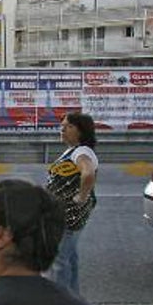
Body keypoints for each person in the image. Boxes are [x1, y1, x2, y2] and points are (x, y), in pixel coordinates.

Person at [46, 112, 99, 294]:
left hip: (69, 215)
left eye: (68, 126)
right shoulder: (73, 150)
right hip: (67, 214)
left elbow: (88, 173)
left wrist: (81, 196)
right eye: (62, 125)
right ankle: (75, 299)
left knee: (59, 261)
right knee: (70, 258)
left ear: (81, 131)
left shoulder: (81, 152)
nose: (62, 129)